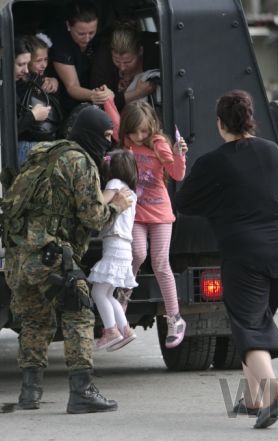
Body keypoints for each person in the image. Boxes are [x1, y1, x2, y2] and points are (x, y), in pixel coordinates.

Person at [173, 90, 278, 429]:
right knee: (255, 317)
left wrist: (219, 207)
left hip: (247, 251)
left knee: (248, 324)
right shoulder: (272, 151)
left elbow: (184, 203)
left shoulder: (214, 162)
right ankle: (252, 399)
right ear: (249, 119)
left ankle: (275, 390)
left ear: (219, 124)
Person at [4, 105, 133, 414]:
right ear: (90, 134)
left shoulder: (44, 155)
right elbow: (93, 218)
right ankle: (81, 391)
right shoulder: (80, 162)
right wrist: (118, 205)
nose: (106, 143)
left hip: (20, 255)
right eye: (104, 136)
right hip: (50, 254)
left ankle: (29, 393)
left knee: (35, 322)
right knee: (79, 315)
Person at [117, 100, 188, 349]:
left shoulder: (159, 144)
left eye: (144, 131)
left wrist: (179, 156)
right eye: (134, 131)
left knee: (160, 262)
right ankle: (122, 300)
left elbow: (177, 174)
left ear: (151, 128)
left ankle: (175, 318)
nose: (138, 136)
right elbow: (114, 120)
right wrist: (106, 100)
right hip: (135, 211)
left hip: (159, 212)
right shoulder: (125, 144)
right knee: (136, 253)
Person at [87, 149, 138, 351]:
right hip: (125, 247)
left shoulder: (115, 185)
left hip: (115, 246)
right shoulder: (131, 192)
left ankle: (110, 331)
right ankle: (125, 329)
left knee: (98, 292)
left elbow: (101, 200)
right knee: (108, 294)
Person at [48, 1, 111, 115]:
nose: (87, 39)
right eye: (81, 34)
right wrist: (93, 95)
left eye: (91, 32)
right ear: (68, 26)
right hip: (64, 103)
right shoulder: (61, 46)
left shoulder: (98, 41)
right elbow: (72, 86)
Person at [90, 21, 159, 111]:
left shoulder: (154, 54)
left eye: (128, 62)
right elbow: (101, 104)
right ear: (111, 52)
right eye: (117, 61)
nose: (122, 67)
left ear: (140, 51)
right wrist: (137, 93)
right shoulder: (103, 62)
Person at [17, 34, 63, 163]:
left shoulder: (45, 81)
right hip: (27, 141)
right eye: (38, 61)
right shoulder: (20, 84)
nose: (43, 65)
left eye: (46, 60)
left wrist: (55, 82)